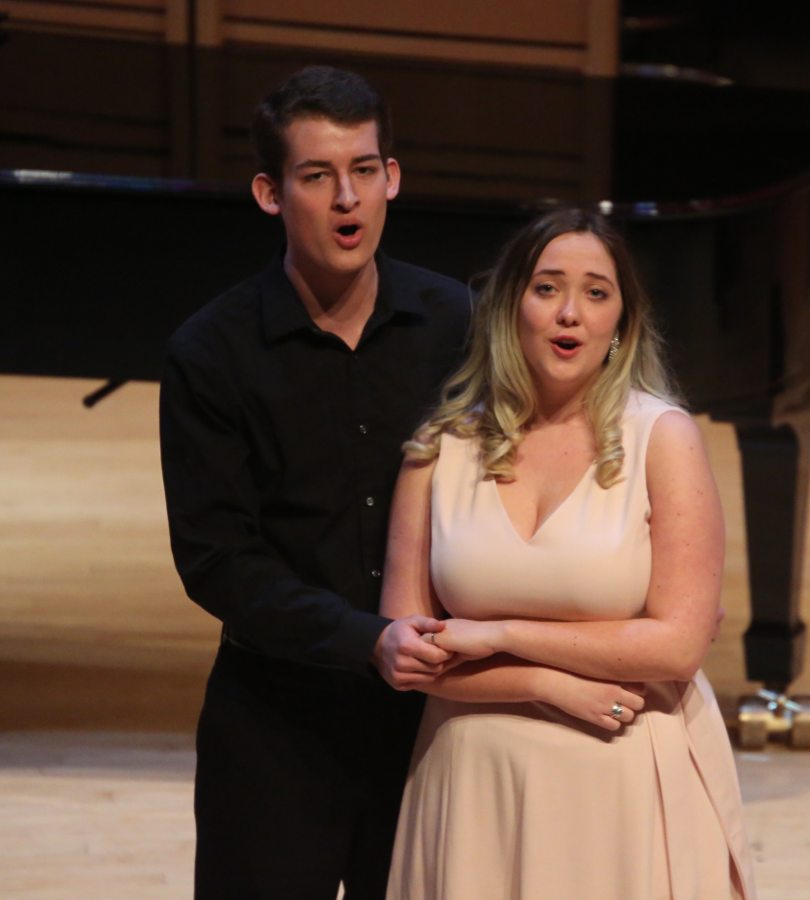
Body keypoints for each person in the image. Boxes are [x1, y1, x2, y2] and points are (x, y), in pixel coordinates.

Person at [380, 207, 757, 899]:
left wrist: (498, 634)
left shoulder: (662, 438)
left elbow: (677, 648)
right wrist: (542, 684)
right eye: (547, 288)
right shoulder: (438, 450)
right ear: (510, 306)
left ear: (621, 321)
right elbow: (407, 657)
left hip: (621, 778)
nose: (570, 315)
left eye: (596, 292)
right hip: (473, 784)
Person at [159, 66, 470, 899]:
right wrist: (363, 637)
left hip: (427, 727)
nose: (347, 200)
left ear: (392, 178)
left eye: (365, 171)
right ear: (269, 192)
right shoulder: (211, 352)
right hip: (275, 728)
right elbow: (216, 559)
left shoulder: (458, 322)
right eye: (317, 176)